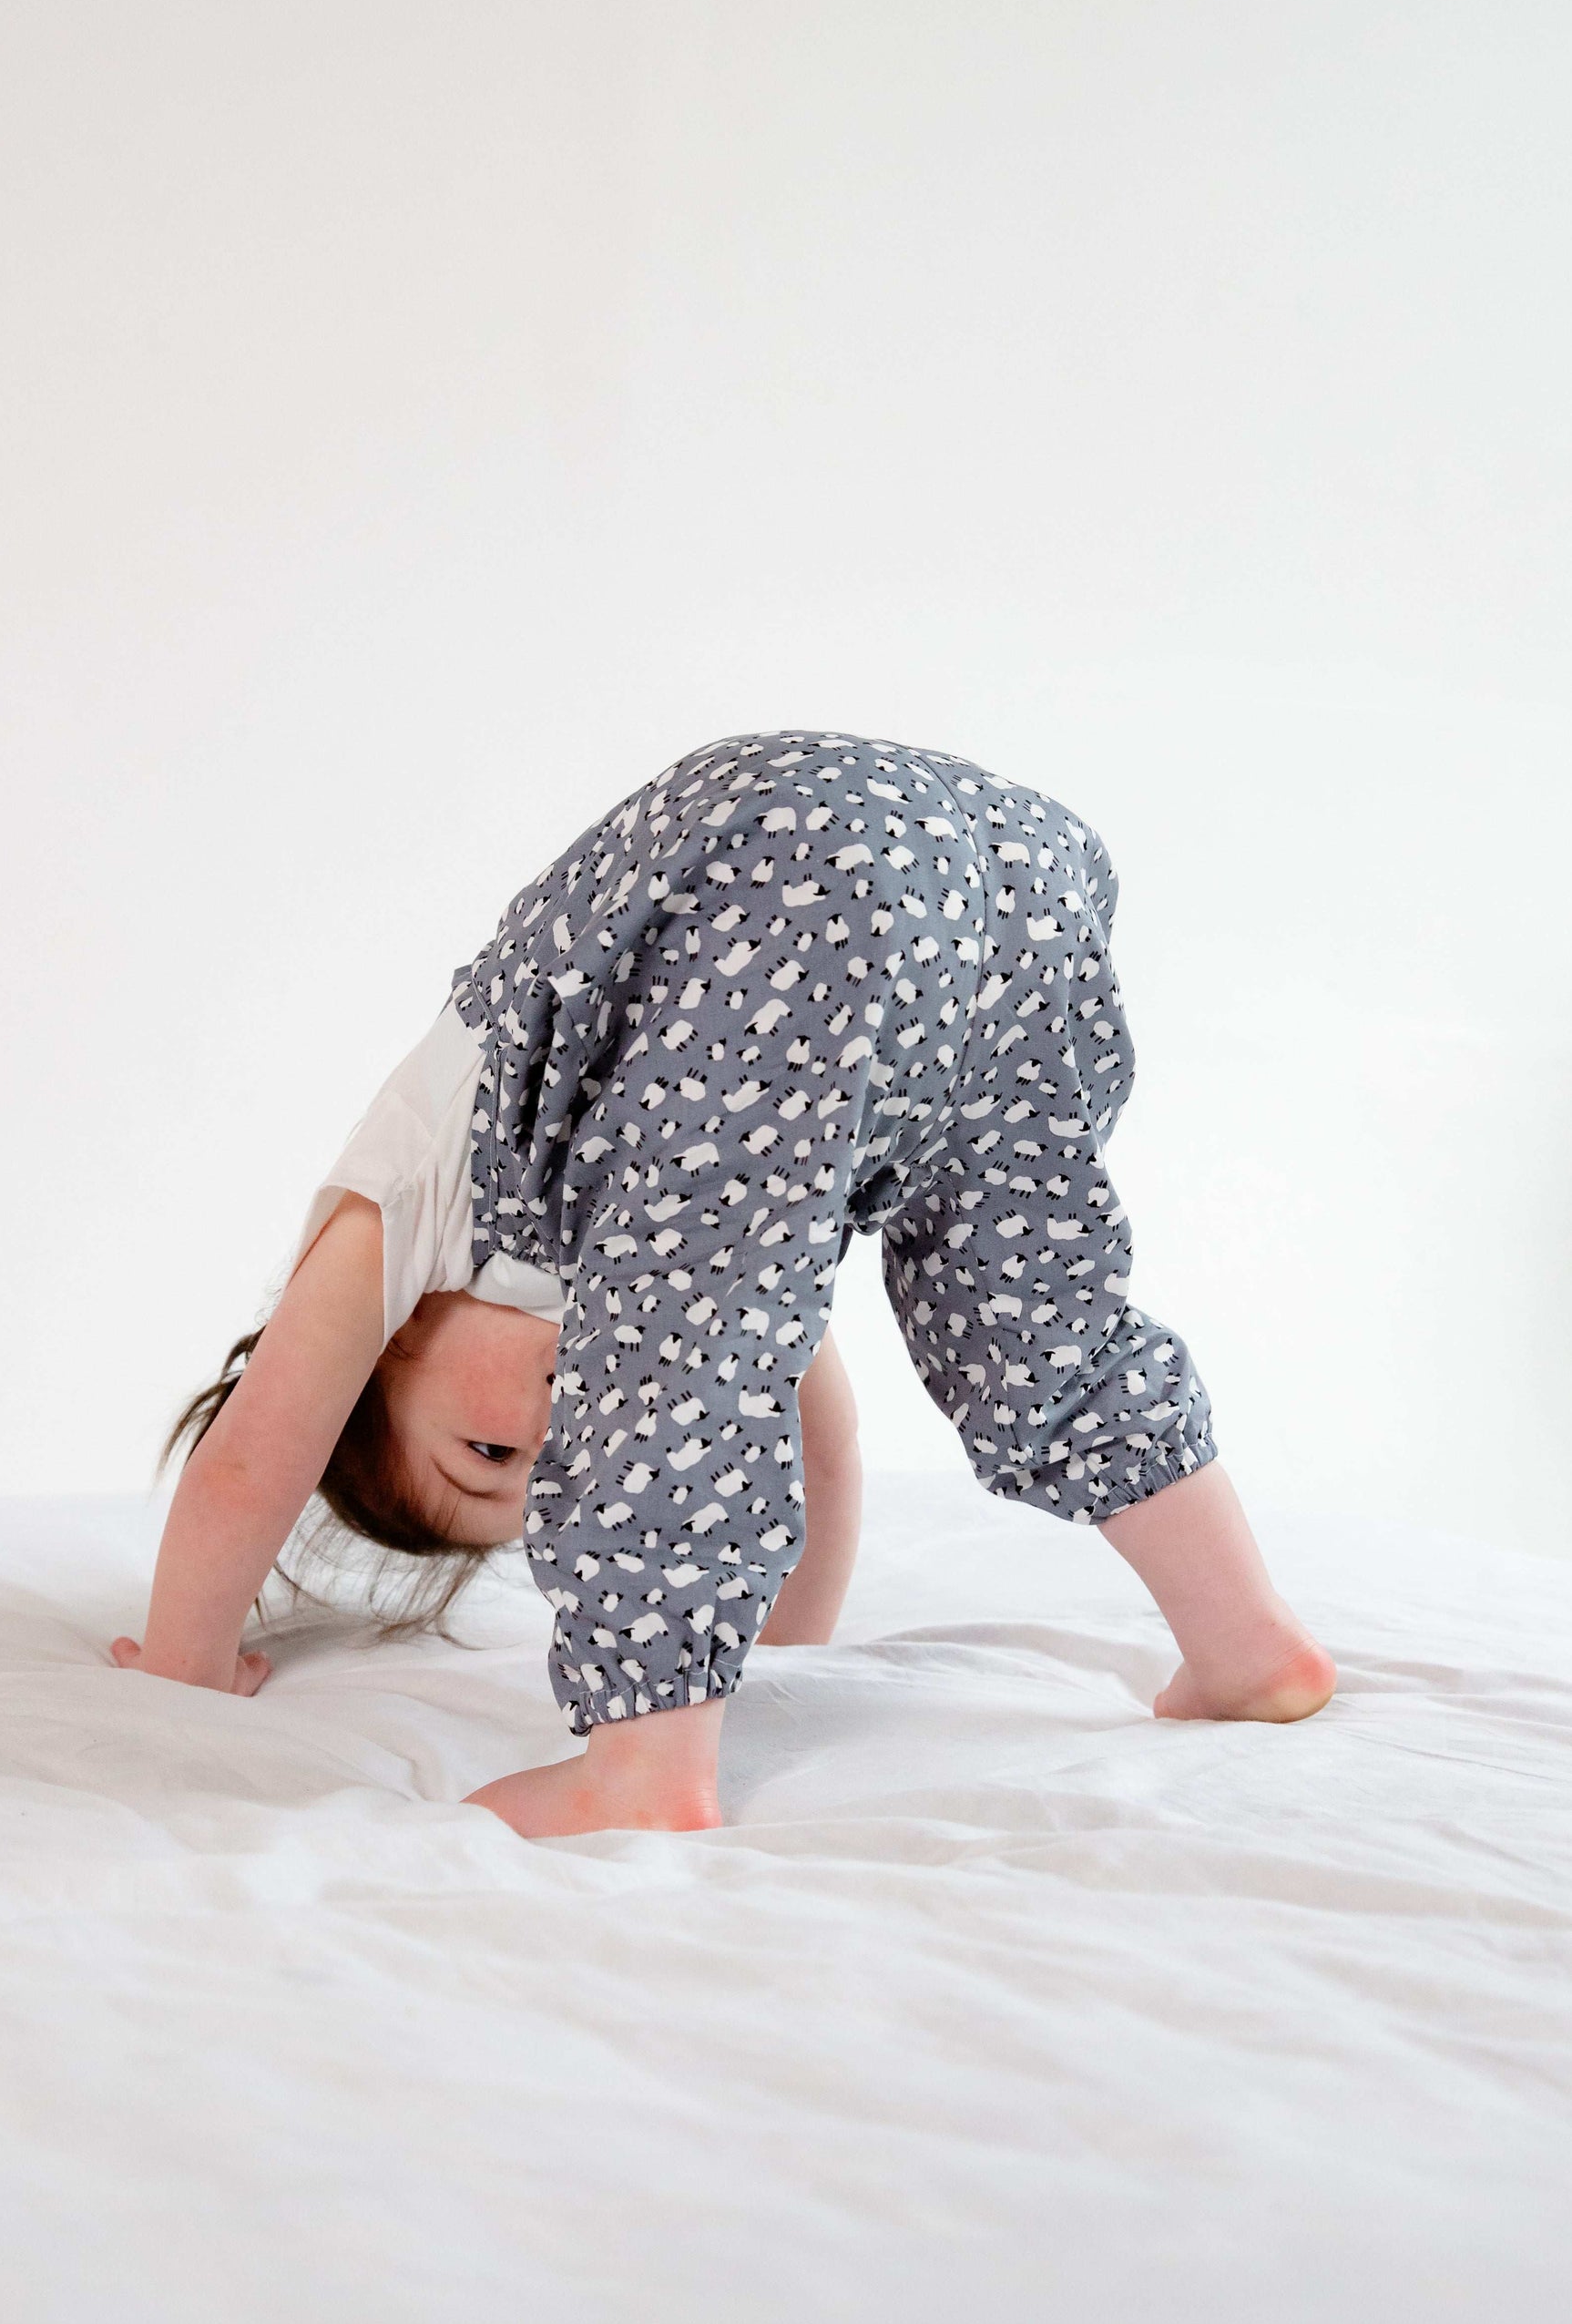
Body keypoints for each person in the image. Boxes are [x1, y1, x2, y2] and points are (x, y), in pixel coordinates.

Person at [111, 730, 1335, 1836]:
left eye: (485, 1453)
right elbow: (819, 1447)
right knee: (1026, 1306)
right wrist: (787, 1656)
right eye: (540, 1484)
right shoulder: (710, 1180)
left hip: (779, 855)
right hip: (1020, 888)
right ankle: (1244, 1644)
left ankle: (640, 1768)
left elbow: (250, 1456)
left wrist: (187, 1661)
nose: (559, 1441)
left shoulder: (406, 1217)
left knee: (677, 1362)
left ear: (388, 1358)